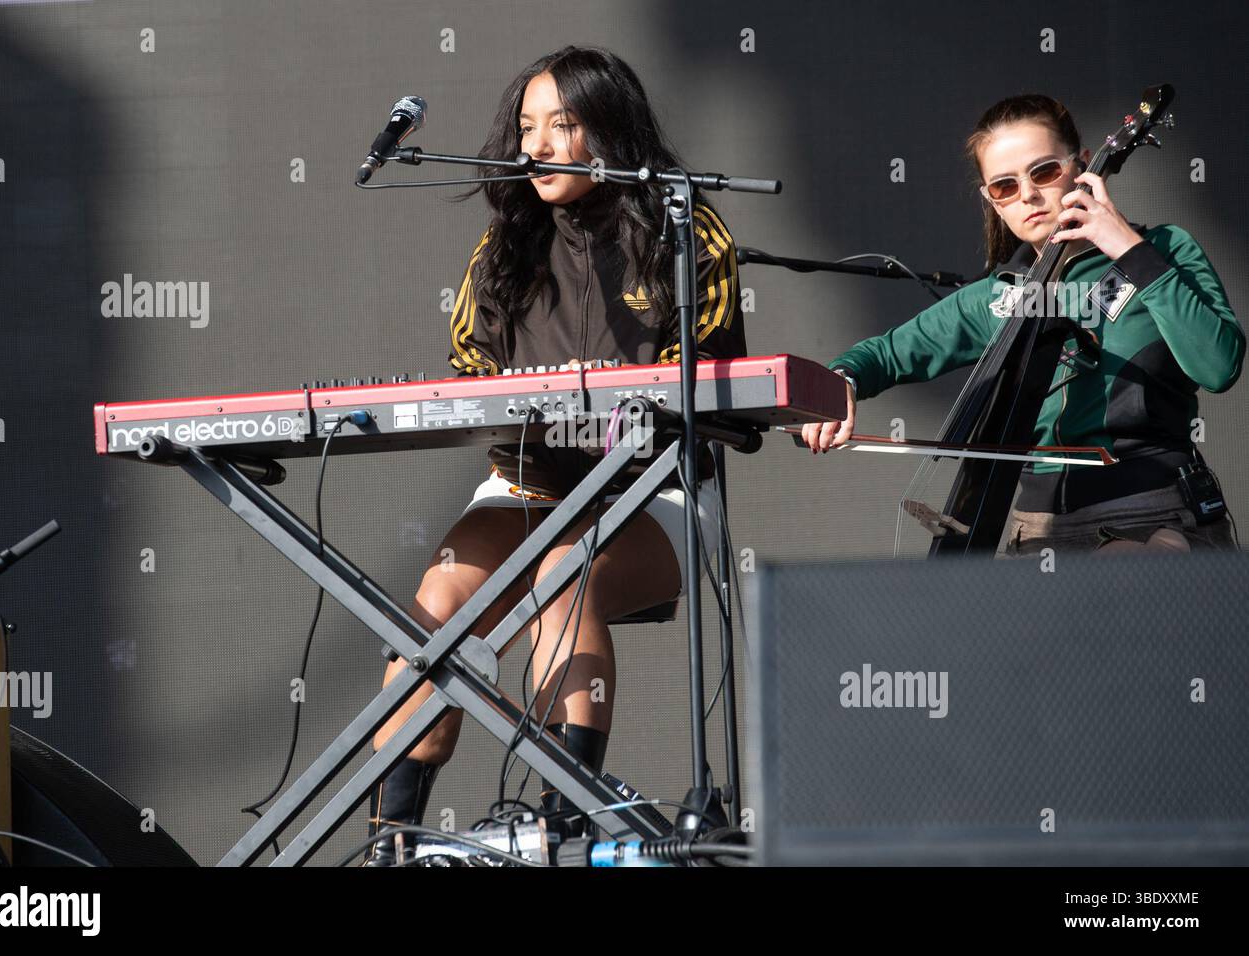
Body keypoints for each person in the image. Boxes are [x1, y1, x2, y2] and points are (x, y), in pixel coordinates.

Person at [362, 46, 745, 864]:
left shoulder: (687, 226)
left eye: (560, 125)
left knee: (564, 575)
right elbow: (472, 384)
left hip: (655, 494)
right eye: (526, 127)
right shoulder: (501, 249)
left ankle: (557, 825)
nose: (536, 144)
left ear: (609, 132)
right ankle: (391, 841)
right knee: (435, 608)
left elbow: (718, 381)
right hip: (529, 483)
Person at [801, 93, 1243, 556]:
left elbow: (1218, 367)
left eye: (1044, 171)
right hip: (1038, 534)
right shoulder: (997, 296)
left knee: (1135, 567)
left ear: (1083, 167)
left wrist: (1131, 252)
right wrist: (840, 383)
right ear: (990, 200)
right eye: (1004, 186)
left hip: (1156, 513)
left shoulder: (1164, 249)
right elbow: (885, 354)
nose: (1028, 195)